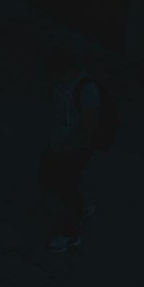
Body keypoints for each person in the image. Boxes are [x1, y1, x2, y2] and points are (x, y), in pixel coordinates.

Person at [40, 48, 100, 253]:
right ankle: (79, 208)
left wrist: (71, 146)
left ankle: (70, 234)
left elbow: (91, 125)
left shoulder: (86, 90)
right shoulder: (60, 81)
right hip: (57, 143)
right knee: (48, 178)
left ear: (69, 70)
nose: (51, 76)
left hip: (74, 150)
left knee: (66, 188)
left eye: (55, 73)